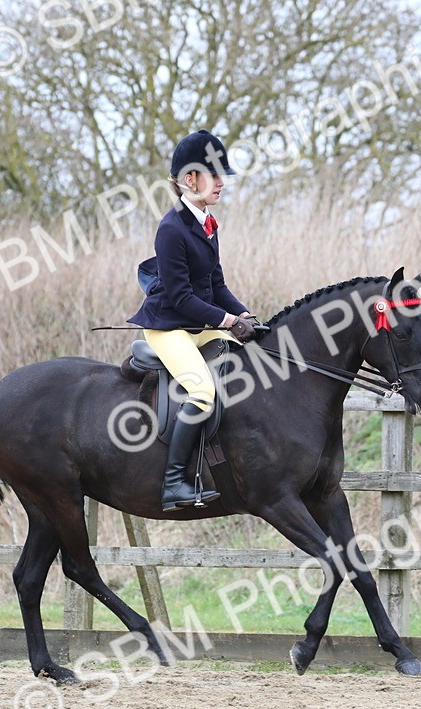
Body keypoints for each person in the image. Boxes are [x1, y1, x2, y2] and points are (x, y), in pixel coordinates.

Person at [127, 129, 259, 511]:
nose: (222, 183)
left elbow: (216, 284)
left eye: (223, 175)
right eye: (214, 175)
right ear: (190, 180)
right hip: (169, 330)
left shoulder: (207, 224)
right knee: (202, 391)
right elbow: (183, 298)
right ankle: (174, 483)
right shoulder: (171, 229)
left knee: (247, 359)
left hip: (199, 328)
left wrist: (245, 315)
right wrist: (227, 319)